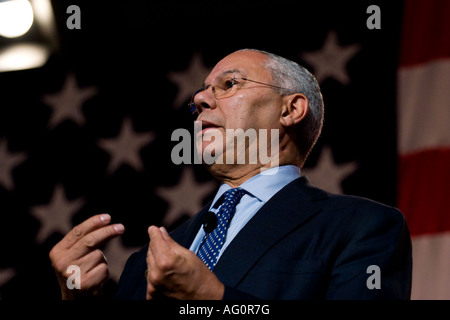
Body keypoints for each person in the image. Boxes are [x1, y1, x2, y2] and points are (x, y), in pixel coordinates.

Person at [49, 49, 412, 300]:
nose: (201, 101)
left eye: (229, 85)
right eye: (199, 97)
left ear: (290, 109)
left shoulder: (361, 227)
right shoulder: (145, 261)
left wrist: (213, 298)